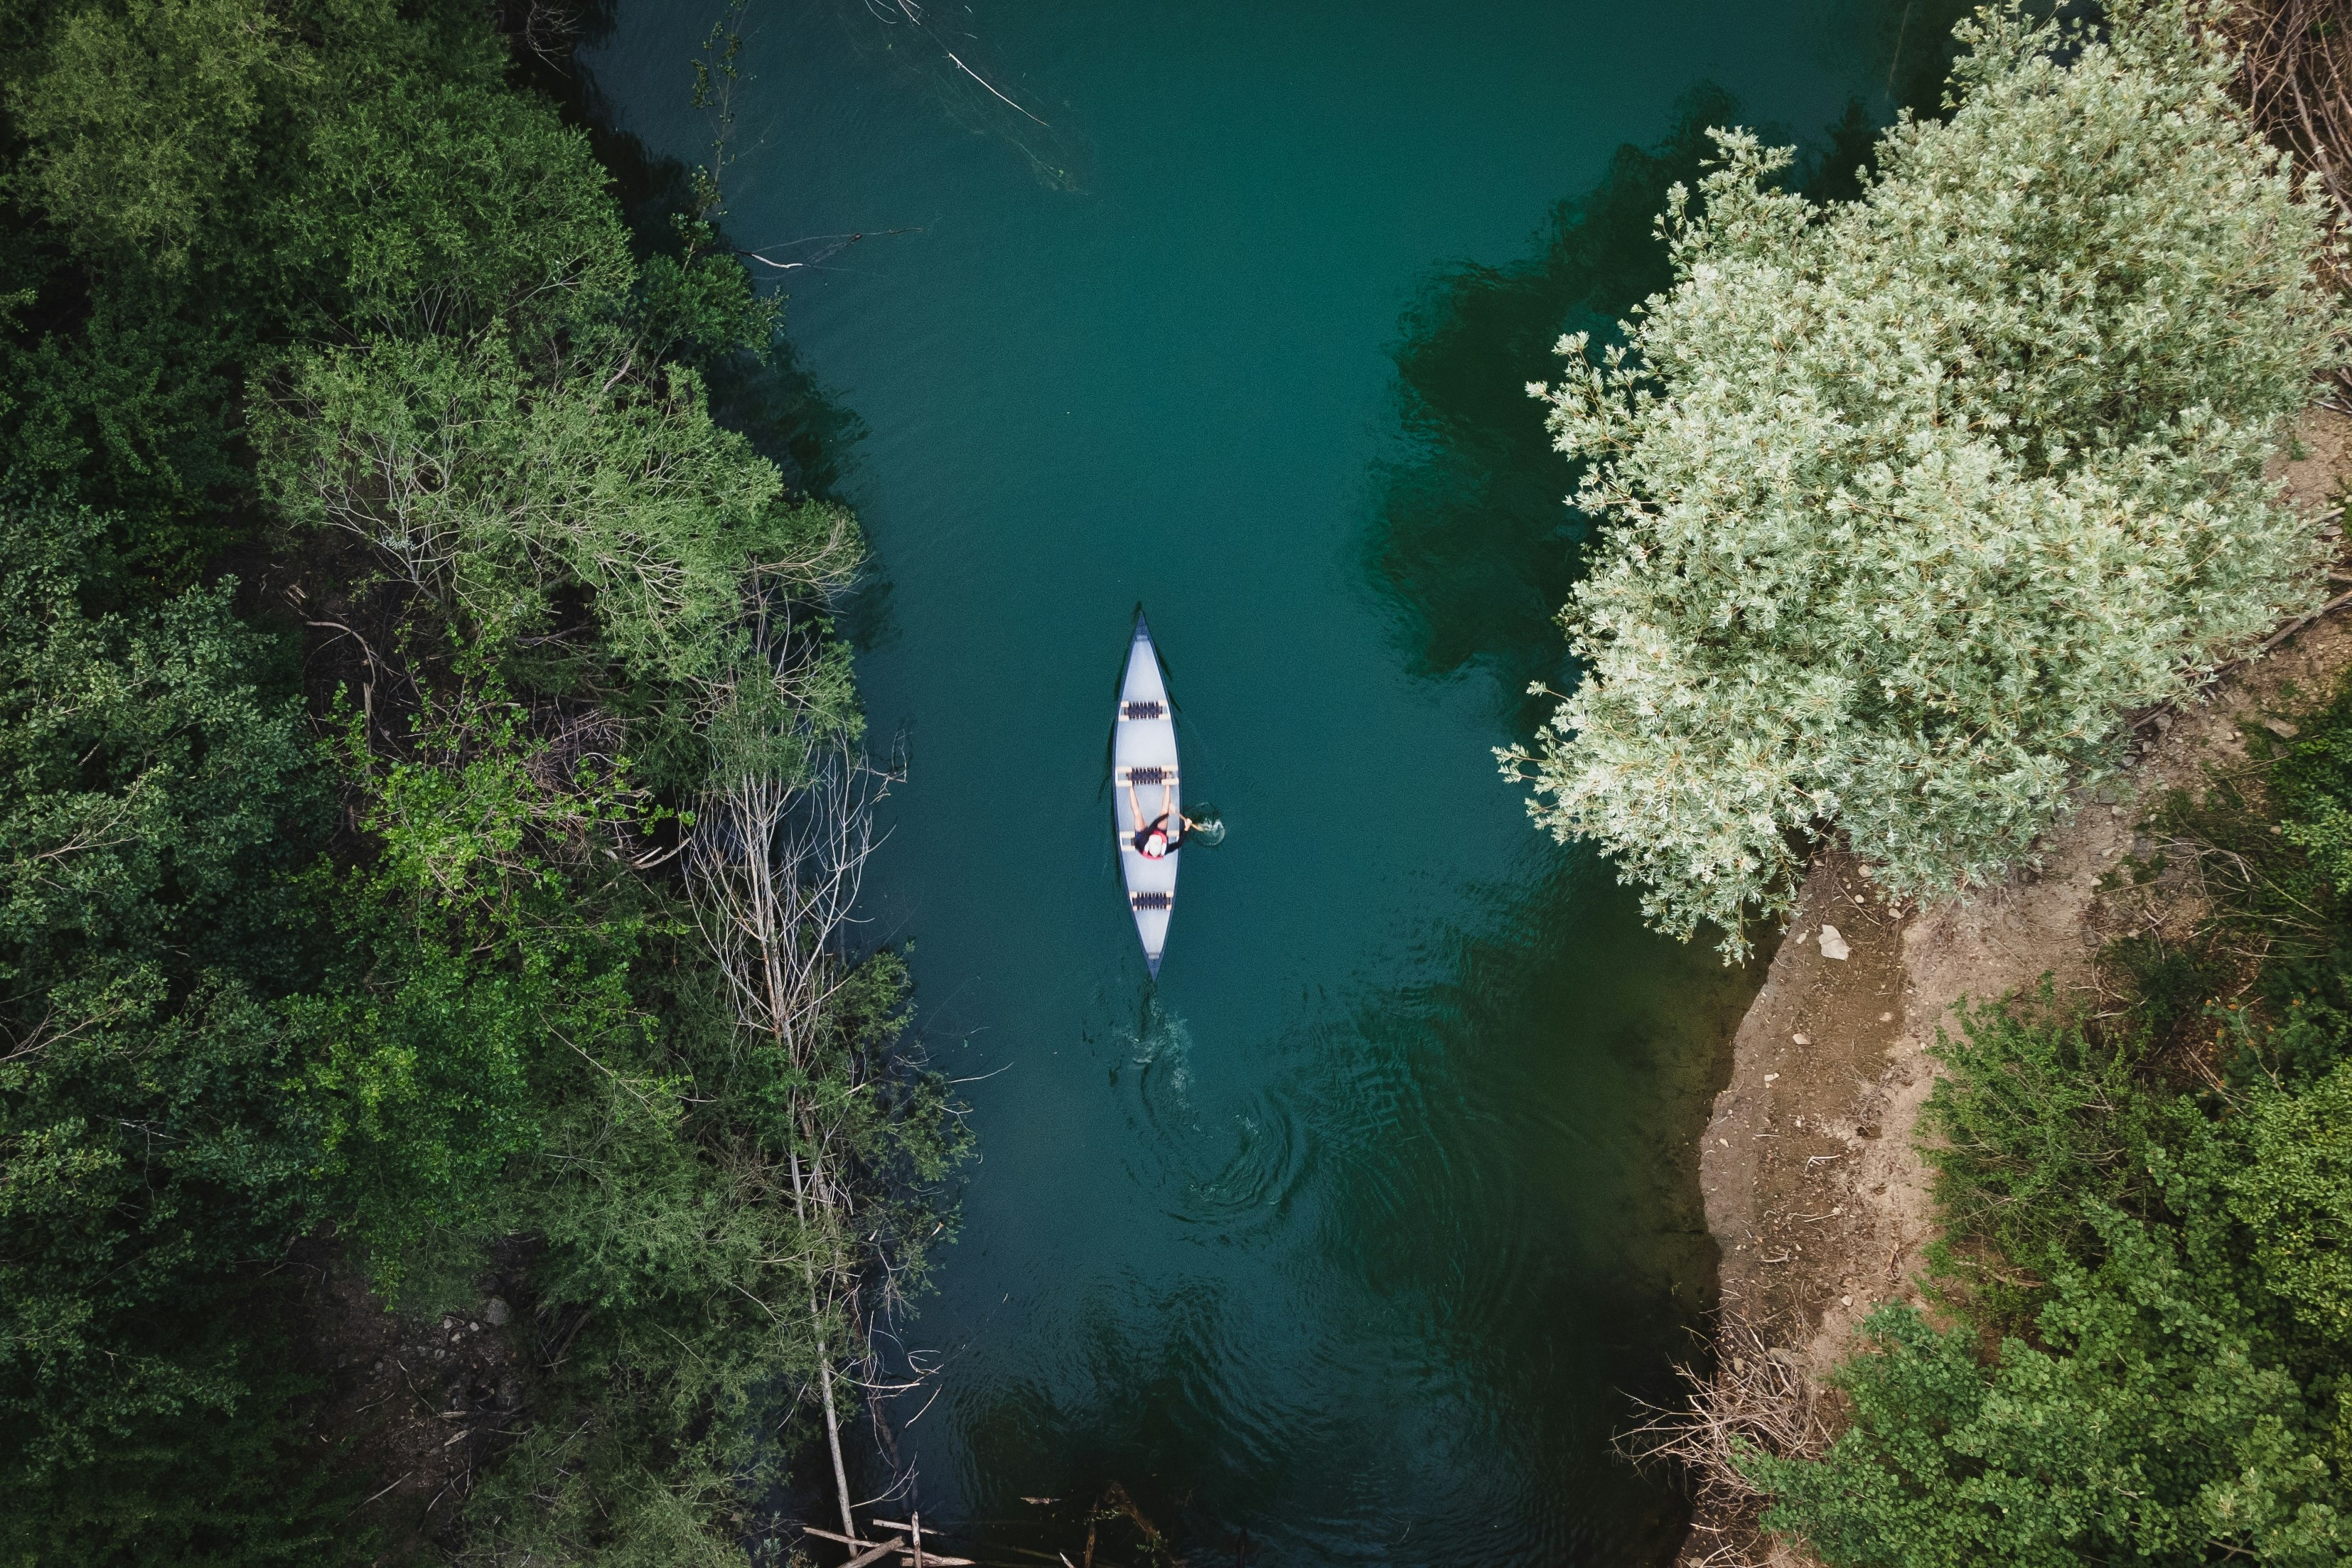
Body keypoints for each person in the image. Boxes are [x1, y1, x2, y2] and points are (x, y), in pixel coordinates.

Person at [1126, 773, 1180, 859]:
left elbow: (1155, 824)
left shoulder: (1142, 843)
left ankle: (1130, 786)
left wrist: (1168, 814)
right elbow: (1179, 843)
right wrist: (1186, 827)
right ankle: (1167, 786)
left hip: (1143, 835)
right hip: (1159, 834)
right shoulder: (1166, 849)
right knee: (1165, 810)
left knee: (1137, 813)